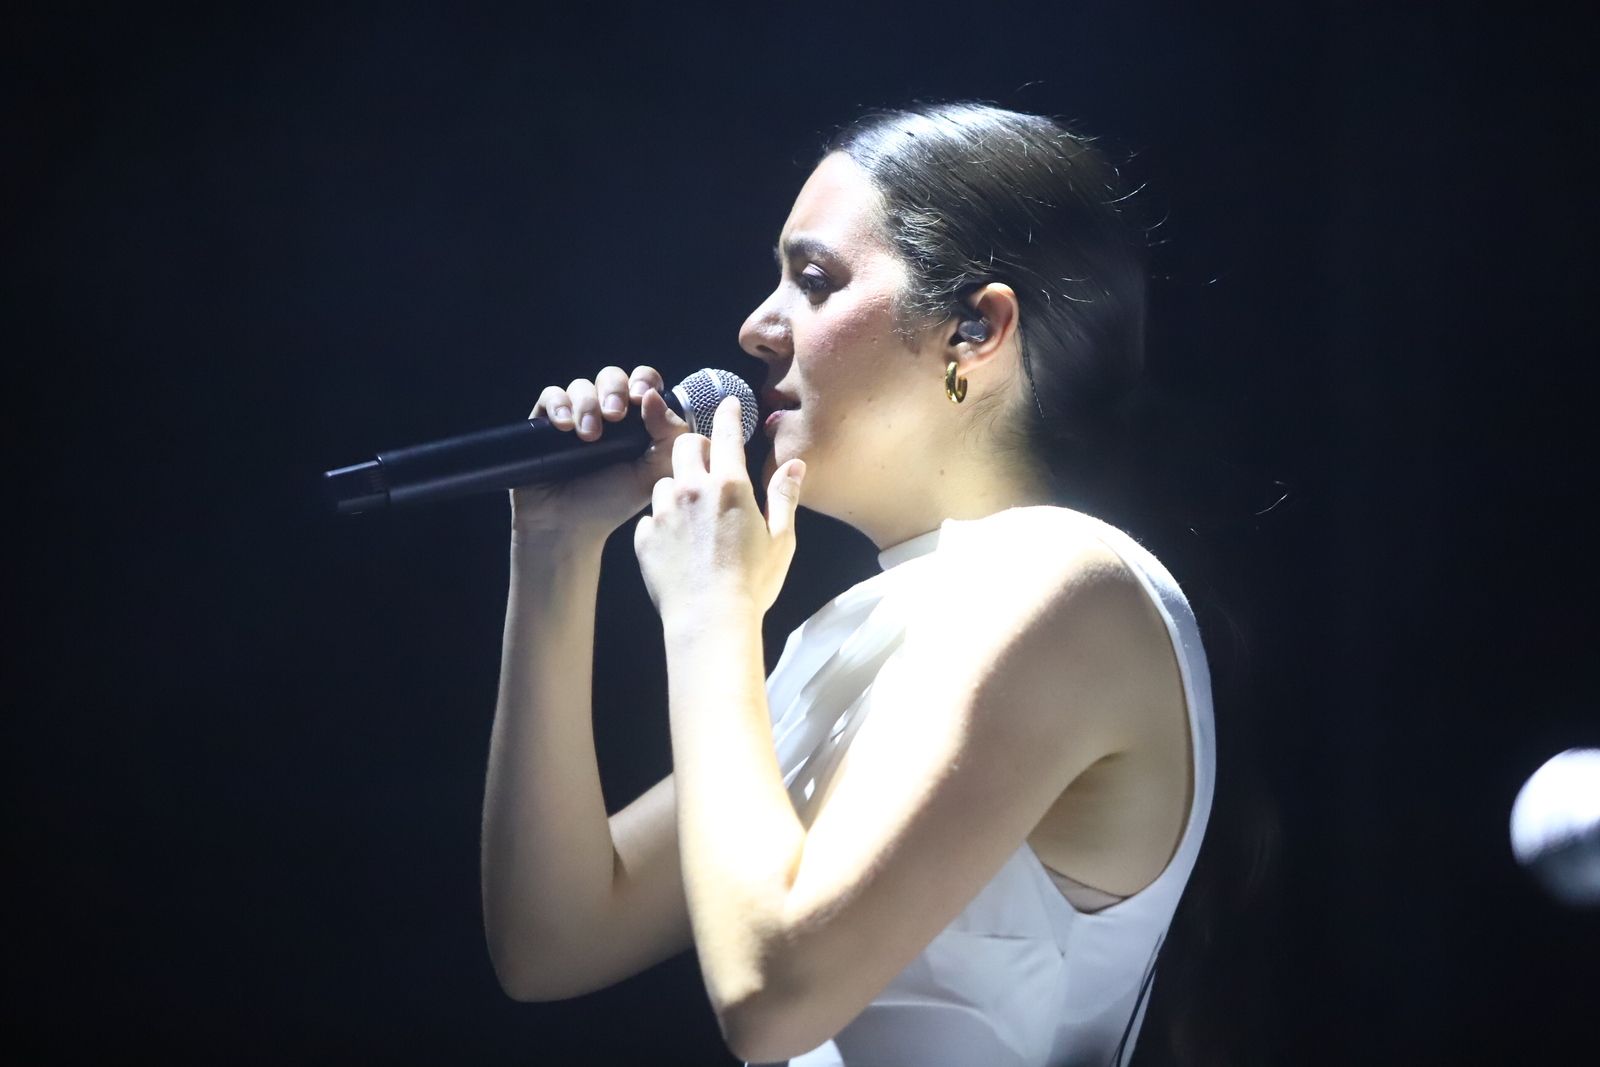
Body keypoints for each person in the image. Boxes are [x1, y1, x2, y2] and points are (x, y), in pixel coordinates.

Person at [479, 102, 1216, 1067]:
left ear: (973, 329)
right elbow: (553, 938)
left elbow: (770, 993)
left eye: (814, 280)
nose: (754, 327)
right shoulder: (869, 629)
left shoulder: (1064, 580)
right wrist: (554, 550)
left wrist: (711, 609)